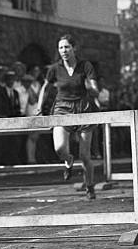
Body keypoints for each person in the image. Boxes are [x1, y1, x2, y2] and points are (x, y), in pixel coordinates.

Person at [36, 34, 99, 200]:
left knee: (85, 155)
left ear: (74, 48)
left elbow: (95, 89)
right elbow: (45, 87)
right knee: (59, 148)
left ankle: (90, 187)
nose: (63, 50)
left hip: (83, 108)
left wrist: (91, 89)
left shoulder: (85, 66)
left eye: (66, 47)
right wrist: (39, 105)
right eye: (61, 48)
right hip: (62, 108)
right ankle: (68, 159)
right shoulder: (55, 69)